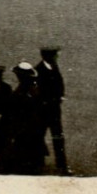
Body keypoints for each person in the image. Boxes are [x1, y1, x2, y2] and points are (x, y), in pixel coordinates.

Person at [4, 64, 47, 175]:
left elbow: (12, 118)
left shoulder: (17, 95)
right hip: (34, 135)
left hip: (24, 136)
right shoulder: (35, 92)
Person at [35, 46, 68, 174]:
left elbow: (60, 84)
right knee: (40, 136)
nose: (56, 57)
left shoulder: (53, 66)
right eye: (55, 55)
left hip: (54, 110)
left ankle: (61, 164)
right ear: (48, 56)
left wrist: (60, 96)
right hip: (43, 111)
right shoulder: (38, 70)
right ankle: (39, 163)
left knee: (58, 137)